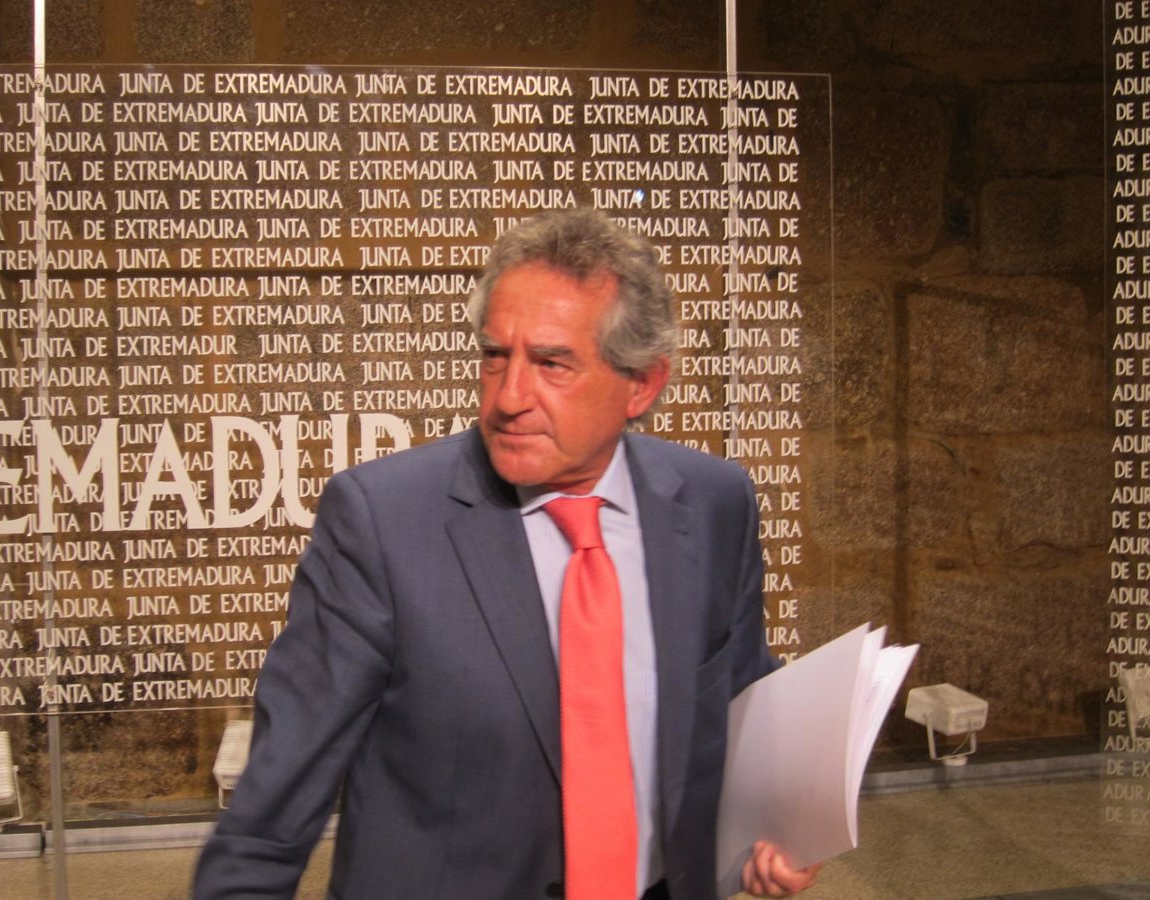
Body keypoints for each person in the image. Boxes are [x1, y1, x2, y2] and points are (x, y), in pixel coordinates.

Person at [193, 208, 820, 899]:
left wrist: (774, 829)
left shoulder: (714, 503)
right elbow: (270, 813)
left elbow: (739, 700)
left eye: (552, 364)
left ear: (642, 383)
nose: (510, 397)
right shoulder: (381, 523)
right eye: (496, 356)